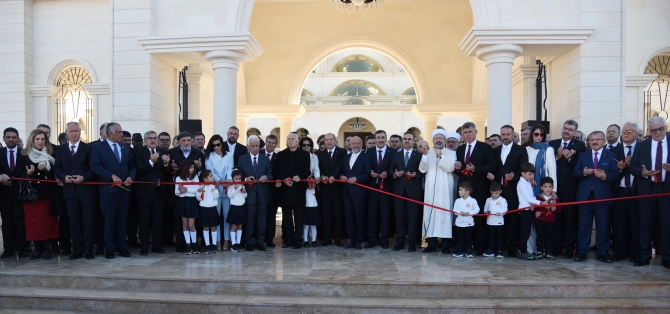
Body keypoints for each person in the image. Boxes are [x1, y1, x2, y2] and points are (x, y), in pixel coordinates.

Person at [571, 131, 619, 263]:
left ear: (604, 141)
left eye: (598, 139)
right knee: (584, 225)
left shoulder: (612, 155)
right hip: (585, 196)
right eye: (592, 140)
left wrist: (605, 176)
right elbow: (575, 173)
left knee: (602, 225)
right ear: (588, 142)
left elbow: (616, 174)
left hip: (603, 196)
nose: (595, 142)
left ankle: (602, 252)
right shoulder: (583, 155)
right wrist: (583, 173)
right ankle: (581, 251)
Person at [89, 122, 136, 259]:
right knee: (109, 220)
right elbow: (95, 166)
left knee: (122, 219)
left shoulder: (125, 148)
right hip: (108, 190)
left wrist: (130, 177)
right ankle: (109, 248)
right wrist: (110, 176)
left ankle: (122, 246)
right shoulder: (97, 147)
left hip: (124, 190)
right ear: (110, 134)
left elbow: (131, 167)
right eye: (119, 132)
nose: (122, 134)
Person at [629, 117, 670, 268]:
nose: (658, 132)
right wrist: (643, 172)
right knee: (645, 225)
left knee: (667, 226)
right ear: (649, 131)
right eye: (654, 130)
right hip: (647, 189)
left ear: (666, 128)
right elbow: (633, 167)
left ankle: (667, 257)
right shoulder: (642, 146)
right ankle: (644, 256)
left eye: (661, 129)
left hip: (666, 190)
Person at [54, 122, 97, 260]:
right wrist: (64, 177)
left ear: (80, 132)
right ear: (66, 133)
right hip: (70, 192)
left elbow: (93, 168)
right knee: (74, 222)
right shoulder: (60, 150)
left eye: (76, 131)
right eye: (71, 131)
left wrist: (83, 178)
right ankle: (77, 249)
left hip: (86, 191)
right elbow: (58, 168)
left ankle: (88, 249)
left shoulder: (88, 148)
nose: (74, 133)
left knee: (88, 221)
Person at [454, 122, 496, 256]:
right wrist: (457, 168)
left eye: (470, 132)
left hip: (479, 188)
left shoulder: (485, 147)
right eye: (465, 133)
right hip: (463, 189)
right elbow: (459, 170)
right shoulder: (460, 149)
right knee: (462, 217)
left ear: (476, 132)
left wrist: (476, 169)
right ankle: (463, 247)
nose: (468, 135)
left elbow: (492, 165)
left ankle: (479, 247)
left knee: (478, 218)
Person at [548, 119, 586, 258]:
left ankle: (570, 248)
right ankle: (556, 247)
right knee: (556, 220)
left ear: (575, 131)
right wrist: (557, 156)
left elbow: (581, 165)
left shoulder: (580, 145)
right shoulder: (553, 144)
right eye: (565, 128)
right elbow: (548, 164)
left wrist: (570, 159)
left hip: (570, 189)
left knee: (570, 220)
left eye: (570, 129)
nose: (567, 131)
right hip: (553, 188)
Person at [489, 125, 528, 257]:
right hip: (497, 192)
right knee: (496, 219)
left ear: (513, 135)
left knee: (512, 221)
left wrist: (515, 176)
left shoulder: (521, 150)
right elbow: (494, 167)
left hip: (512, 190)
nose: (505, 137)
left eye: (508, 134)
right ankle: (498, 248)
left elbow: (523, 168)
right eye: (503, 134)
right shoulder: (495, 150)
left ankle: (512, 249)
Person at [22, 129, 59, 260]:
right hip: (33, 196)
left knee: (48, 222)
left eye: (43, 139)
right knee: (34, 223)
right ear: (32, 140)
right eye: (37, 139)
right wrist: (29, 174)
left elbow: (56, 173)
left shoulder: (51, 154)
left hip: (47, 194)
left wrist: (46, 171)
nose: (40, 142)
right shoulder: (25, 155)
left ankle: (47, 248)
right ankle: (37, 249)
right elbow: (20, 174)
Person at [419, 129, 457, 254]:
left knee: (445, 215)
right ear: (433, 140)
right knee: (430, 213)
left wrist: (441, 155)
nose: (439, 140)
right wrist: (424, 155)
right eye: (436, 138)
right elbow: (423, 169)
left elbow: (450, 167)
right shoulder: (428, 153)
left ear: (445, 140)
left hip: (445, 189)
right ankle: (431, 243)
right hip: (431, 190)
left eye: (441, 138)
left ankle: (446, 245)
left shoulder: (450, 153)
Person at [166, 131, 205, 252]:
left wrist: (199, 167)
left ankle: (194, 244)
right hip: (178, 195)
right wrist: (169, 167)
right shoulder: (172, 153)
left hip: (192, 199)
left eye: (189, 140)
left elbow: (202, 172)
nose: (186, 143)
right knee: (179, 222)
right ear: (178, 142)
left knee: (193, 223)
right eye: (184, 140)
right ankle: (181, 244)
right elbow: (166, 171)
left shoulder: (198, 153)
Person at [132, 130, 169, 255]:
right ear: (145, 140)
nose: (153, 140)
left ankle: (157, 245)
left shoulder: (162, 152)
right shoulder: (139, 152)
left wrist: (166, 164)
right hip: (144, 192)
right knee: (144, 220)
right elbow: (139, 170)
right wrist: (151, 162)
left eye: (155, 138)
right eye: (150, 138)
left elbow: (167, 172)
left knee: (158, 220)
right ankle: (144, 246)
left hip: (159, 191)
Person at [274, 132, 311, 249]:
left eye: (292, 139)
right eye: (288, 139)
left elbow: (307, 171)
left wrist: (299, 176)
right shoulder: (280, 155)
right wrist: (284, 179)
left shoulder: (305, 155)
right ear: (286, 141)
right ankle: (289, 240)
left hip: (298, 190)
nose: (290, 140)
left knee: (299, 218)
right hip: (285, 191)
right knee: (287, 218)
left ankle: (298, 241)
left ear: (297, 141)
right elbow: (276, 171)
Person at [524, 124, 557, 256]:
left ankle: (543, 249)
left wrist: (553, 190)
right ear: (532, 134)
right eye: (536, 134)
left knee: (541, 218)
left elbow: (552, 170)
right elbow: (524, 168)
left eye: (541, 135)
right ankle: (530, 249)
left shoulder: (548, 149)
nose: (538, 137)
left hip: (543, 189)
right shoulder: (526, 149)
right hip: (528, 186)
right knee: (529, 218)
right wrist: (529, 178)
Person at [609, 122, 640, 262]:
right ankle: (620, 252)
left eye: (630, 132)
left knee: (636, 223)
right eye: (625, 132)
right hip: (619, 191)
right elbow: (611, 171)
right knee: (619, 223)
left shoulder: (642, 148)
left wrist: (630, 165)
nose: (626, 134)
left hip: (636, 191)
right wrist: (621, 168)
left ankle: (635, 252)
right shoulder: (615, 150)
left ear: (637, 134)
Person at [390, 132, 424, 252]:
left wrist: (416, 175)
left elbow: (423, 171)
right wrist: (395, 174)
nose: (407, 141)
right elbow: (390, 170)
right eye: (405, 139)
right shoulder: (396, 155)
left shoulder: (419, 155)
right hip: (398, 191)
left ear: (414, 141)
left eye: (409, 139)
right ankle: (399, 242)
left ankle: (412, 243)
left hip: (413, 191)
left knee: (413, 218)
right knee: (399, 218)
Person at [238, 135, 273, 251]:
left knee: (262, 220)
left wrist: (266, 177)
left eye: (257, 146)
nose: (255, 148)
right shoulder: (242, 159)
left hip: (263, 194)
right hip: (249, 194)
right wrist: (246, 178)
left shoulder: (265, 159)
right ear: (248, 146)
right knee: (250, 219)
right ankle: (248, 242)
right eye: (252, 146)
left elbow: (270, 174)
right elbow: (239, 175)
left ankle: (260, 242)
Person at [0, 127, 28, 258]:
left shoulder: (24, 154)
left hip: (20, 193)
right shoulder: (0, 153)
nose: (11, 139)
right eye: (8, 137)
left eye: (14, 137)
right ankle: (8, 249)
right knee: (6, 222)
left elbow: (26, 171)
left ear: (17, 138)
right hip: (4, 195)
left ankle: (22, 249)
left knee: (21, 222)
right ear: (4, 138)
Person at [340, 136, 371, 250]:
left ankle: (358, 241)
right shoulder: (345, 157)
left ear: (361, 144)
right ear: (350, 145)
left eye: (358, 143)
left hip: (359, 192)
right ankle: (351, 240)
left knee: (359, 217)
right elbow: (342, 171)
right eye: (353, 143)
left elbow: (367, 174)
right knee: (349, 218)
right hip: (347, 192)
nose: (356, 145)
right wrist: (341, 176)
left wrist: (356, 178)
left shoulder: (366, 157)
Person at [204, 134, 233, 251]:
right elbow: (210, 172)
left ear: (222, 144)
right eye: (214, 145)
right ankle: (217, 241)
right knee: (215, 216)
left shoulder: (229, 155)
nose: (216, 147)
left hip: (227, 189)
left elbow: (230, 169)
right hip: (214, 189)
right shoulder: (208, 156)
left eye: (218, 144)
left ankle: (226, 240)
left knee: (226, 215)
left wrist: (228, 180)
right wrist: (220, 181)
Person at [364, 130, 394, 249]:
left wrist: (388, 174)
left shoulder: (392, 152)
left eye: (383, 137)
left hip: (386, 189)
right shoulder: (369, 152)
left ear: (385, 139)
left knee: (385, 215)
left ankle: (384, 240)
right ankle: (372, 239)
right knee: (372, 215)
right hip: (372, 188)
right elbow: (366, 168)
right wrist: (370, 172)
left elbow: (394, 169)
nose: (381, 140)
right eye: (378, 137)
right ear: (375, 139)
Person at [317, 133, 347, 247]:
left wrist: (334, 176)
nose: (329, 142)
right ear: (324, 141)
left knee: (338, 214)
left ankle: (338, 238)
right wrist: (323, 176)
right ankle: (327, 238)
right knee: (326, 215)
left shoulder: (342, 152)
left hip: (337, 188)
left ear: (335, 140)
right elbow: (319, 168)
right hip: (325, 188)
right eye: (327, 140)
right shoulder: (320, 154)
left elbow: (341, 166)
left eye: (331, 139)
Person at [517, 162, 546, 260]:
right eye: (529, 174)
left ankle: (524, 250)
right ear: (523, 173)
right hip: (525, 210)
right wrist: (541, 203)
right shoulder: (521, 184)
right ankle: (522, 251)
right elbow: (528, 198)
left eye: (532, 174)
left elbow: (532, 197)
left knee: (527, 231)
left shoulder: (527, 182)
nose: (531, 176)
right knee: (525, 232)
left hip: (529, 209)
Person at [174, 159, 200, 255]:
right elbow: (176, 192)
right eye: (191, 167)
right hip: (182, 202)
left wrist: (186, 189)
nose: (193, 169)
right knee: (185, 225)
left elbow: (196, 189)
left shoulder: (195, 177)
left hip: (192, 201)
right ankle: (188, 245)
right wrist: (181, 190)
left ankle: (194, 244)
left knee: (191, 225)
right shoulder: (178, 178)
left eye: (193, 167)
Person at [534, 177, 561, 260]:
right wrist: (536, 212)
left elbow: (560, 208)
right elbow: (534, 207)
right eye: (545, 186)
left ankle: (548, 252)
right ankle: (539, 251)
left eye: (550, 186)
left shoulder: (555, 198)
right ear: (541, 188)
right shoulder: (538, 198)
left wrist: (555, 208)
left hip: (551, 221)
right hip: (540, 221)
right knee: (540, 237)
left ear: (553, 187)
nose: (548, 189)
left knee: (549, 237)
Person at [261, 134, 280, 247]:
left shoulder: (278, 157)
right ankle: (259, 237)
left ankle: (269, 239)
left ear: (276, 145)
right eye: (269, 142)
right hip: (259, 190)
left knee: (271, 215)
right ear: (265, 142)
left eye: (273, 143)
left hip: (273, 191)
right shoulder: (258, 154)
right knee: (259, 215)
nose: (270, 145)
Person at [452, 182, 479, 258]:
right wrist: (459, 212)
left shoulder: (473, 201)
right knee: (460, 238)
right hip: (459, 223)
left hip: (469, 223)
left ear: (467, 192)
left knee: (469, 238)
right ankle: (459, 251)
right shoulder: (457, 201)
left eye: (461, 190)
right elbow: (454, 210)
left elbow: (477, 209)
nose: (459, 191)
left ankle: (469, 252)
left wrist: (469, 213)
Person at [196, 170, 220, 254]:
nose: (212, 177)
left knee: (213, 227)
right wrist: (199, 192)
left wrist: (216, 189)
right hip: (204, 209)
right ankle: (207, 245)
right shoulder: (201, 186)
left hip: (213, 209)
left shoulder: (214, 186)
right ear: (205, 179)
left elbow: (216, 197)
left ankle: (214, 244)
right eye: (210, 176)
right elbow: (198, 199)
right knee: (205, 227)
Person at [483, 182, 507, 258]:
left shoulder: (503, 200)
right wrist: (486, 212)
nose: (494, 195)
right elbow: (485, 208)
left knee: (499, 237)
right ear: (490, 191)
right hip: (490, 222)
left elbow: (505, 209)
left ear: (500, 191)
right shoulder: (488, 200)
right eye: (492, 193)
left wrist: (500, 213)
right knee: (491, 236)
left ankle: (500, 251)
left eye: (496, 193)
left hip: (499, 222)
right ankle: (491, 250)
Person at [227, 169, 248, 252]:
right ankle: (233, 244)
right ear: (233, 179)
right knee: (234, 226)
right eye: (236, 179)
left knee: (240, 225)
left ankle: (238, 243)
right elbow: (230, 196)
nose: (238, 180)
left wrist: (245, 192)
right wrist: (235, 188)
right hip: (234, 208)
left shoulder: (242, 185)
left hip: (241, 207)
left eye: (239, 179)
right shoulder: (231, 186)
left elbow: (245, 196)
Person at [303, 181, 321, 247]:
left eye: (313, 183)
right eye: (310, 183)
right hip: (307, 209)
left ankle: (314, 240)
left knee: (314, 226)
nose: (311, 185)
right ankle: (305, 241)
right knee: (306, 226)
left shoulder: (316, 191)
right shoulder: (305, 191)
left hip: (314, 209)